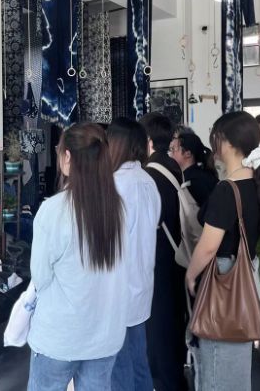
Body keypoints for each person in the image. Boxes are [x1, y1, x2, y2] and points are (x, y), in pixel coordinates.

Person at [27, 122, 128, 390]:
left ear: (68, 157)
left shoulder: (53, 210)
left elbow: (40, 277)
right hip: (104, 335)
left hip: (60, 335)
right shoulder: (117, 208)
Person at [186, 111, 260, 391]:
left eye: (215, 138)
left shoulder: (227, 189)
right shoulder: (255, 183)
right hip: (246, 274)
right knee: (235, 366)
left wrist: (190, 274)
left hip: (224, 280)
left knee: (217, 367)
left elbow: (208, 246)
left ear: (226, 142)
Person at [107, 118, 161, 391]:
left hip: (117, 289)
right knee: (138, 361)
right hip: (141, 286)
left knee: (119, 368)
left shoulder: (114, 184)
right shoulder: (148, 181)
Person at [139, 112, 188, 391]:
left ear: (146, 139)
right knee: (173, 321)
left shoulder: (148, 175)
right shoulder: (174, 166)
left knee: (158, 328)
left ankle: (166, 382)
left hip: (158, 257)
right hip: (178, 253)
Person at [169, 128, 219, 207]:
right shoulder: (202, 174)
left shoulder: (193, 183)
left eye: (173, 149)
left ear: (188, 153)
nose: (170, 154)